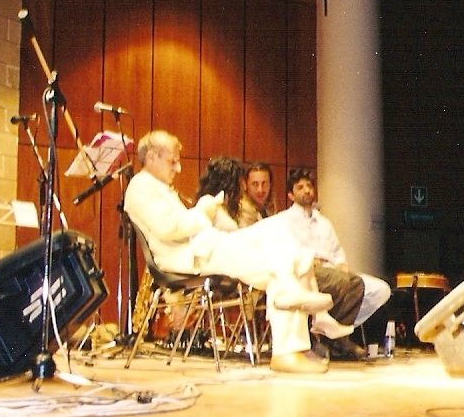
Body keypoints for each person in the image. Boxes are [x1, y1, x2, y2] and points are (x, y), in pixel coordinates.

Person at [124, 131, 333, 374]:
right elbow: (169, 228)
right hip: (194, 254)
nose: (178, 167)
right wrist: (204, 210)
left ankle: (297, 343)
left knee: (282, 242)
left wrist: (203, 213)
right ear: (151, 158)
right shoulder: (140, 188)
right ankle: (289, 348)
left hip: (206, 246)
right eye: (173, 161)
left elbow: (180, 224)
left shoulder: (158, 188)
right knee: (277, 268)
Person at [280, 168, 392, 359]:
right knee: (348, 283)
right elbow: (288, 253)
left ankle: (334, 332)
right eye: (300, 187)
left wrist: (341, 265)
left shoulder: (324, 223)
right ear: (291, 195)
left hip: (332, 272)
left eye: (309, 186)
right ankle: (336, 339)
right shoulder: (285, 220)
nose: (307, 190)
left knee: (380, 289)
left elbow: (338, 253)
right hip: (308, 274)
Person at [237, 161, 273, 228]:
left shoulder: (269, 210)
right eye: (255, 184)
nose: (260, 190)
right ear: (245, 185)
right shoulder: (242, 213)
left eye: (264, 183)